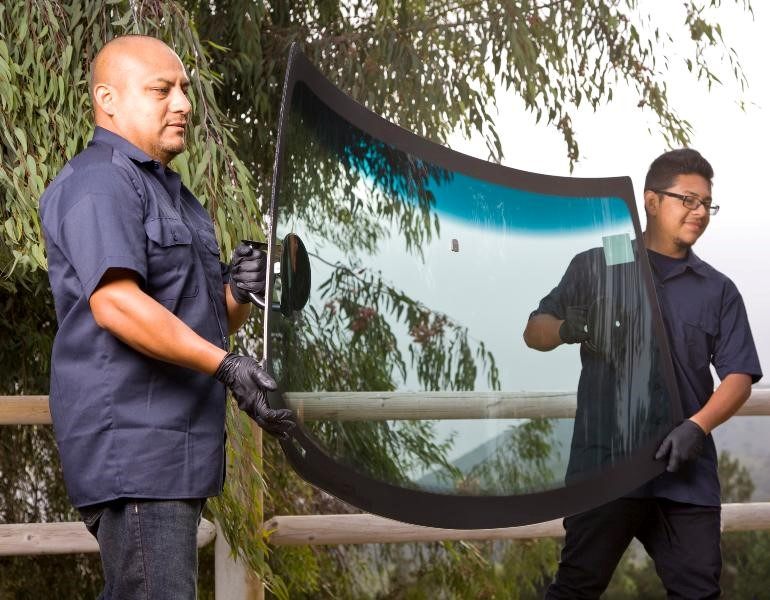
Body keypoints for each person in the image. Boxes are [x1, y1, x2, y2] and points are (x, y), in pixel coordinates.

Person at [39, 35, 294, 598]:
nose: (183, 104)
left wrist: (238, 292)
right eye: (162, 90)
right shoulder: (102, 180)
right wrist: (228, 367)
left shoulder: (171, 194)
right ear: (108, 99)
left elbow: (197, 320)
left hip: (171, 451)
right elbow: (116, 304)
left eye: (183, 90)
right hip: (135, 449)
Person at [523, 149, 762, 599]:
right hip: (604, 468)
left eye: (706, 203)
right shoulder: (598, 264)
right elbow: (535, 331)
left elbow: (739, 376)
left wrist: (698, 426)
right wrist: (570, 328)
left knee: (698, 594)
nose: (699, 212)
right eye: (687, 200)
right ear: (650, 200)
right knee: (575, 589)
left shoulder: (718, 288)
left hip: (684, 477)